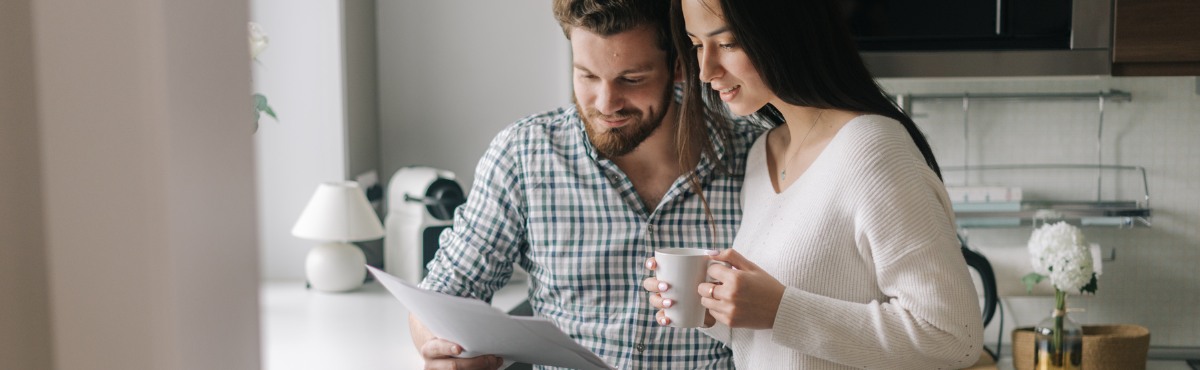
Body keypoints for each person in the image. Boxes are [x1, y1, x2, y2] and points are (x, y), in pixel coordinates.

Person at [407, 0, 767, 369]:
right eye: (587, 76)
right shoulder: (524, 155)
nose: (606, 103)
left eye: (632, 79)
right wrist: (440, 349)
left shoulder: (755, 156)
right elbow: (442, 295)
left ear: (678, 67)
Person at [641, 0, 985, 369]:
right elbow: (788, 344)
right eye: (696, 45)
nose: (706, 71)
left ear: (785, 33)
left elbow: (954, 338)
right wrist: (716, 310)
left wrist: (780, 310)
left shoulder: (872, 148)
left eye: (727, 43)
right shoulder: (764, 154)